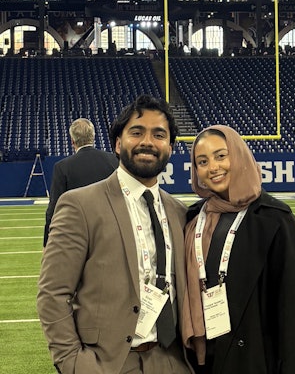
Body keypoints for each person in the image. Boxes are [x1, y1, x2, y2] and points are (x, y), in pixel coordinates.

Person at [37, 95, 192, 374]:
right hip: (109, 363)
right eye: (136, 132)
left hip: (171, 361)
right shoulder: (80, 205)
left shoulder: (179, 212)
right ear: (118, 144)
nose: (147, 141)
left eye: (159, 134)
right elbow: (52, 293)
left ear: (170, 147)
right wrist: (75, 363)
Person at [182, 125, 295, 374]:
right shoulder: (192, 219)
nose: (213, 167)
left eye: (221, 156)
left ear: (239, 155)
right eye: (202, 161)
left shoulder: (276, 220)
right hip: (201, 361)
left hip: (255, 360)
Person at [43, 118, 118, 247]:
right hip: (110, 232)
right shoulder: (114, 161)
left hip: (77, 236)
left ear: (73, 141)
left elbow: (55, 207)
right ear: (93, 138)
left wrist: (47, 241)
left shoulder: (62, 167)